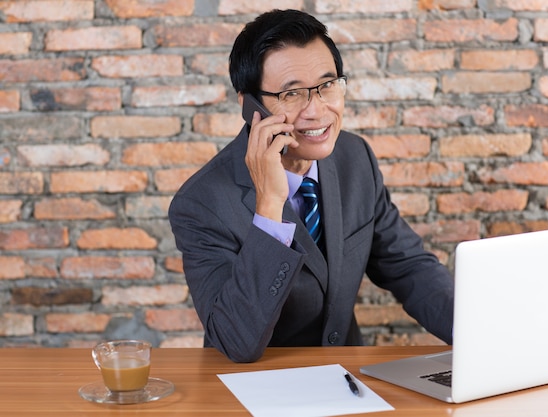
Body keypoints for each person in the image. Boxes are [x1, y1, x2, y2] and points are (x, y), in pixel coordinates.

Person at [168, 9, 454, 363]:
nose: (316, 110)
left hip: (348, 380)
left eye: (327, 85)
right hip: (255, 389)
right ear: (250, 106)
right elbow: (236, 341)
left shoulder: (355, 157)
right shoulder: (202, 202)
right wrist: (270, 206)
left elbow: (410, 268)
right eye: (292, 95)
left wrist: (484, 335)